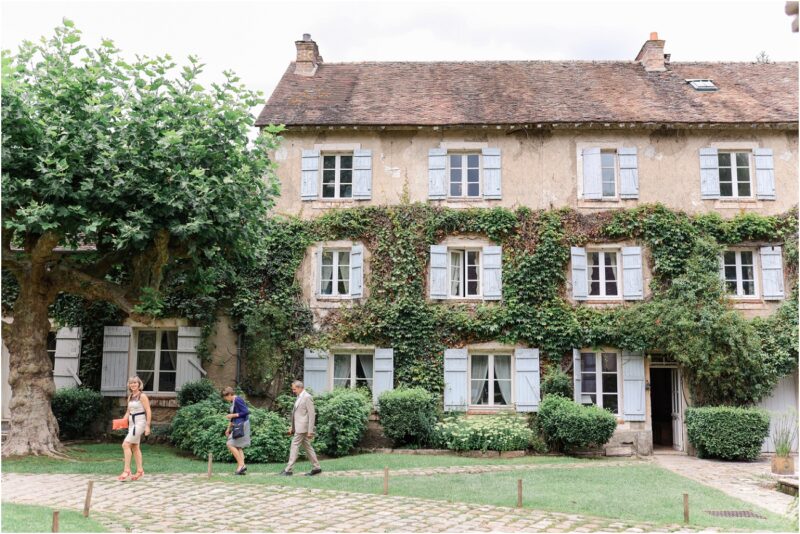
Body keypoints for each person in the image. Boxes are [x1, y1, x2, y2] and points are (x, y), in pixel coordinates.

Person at [279, 380, 322, 476]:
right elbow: (296, 414)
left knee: (294, 445)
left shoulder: (307, 397)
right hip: (298, 427)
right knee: (307, 447)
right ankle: (317, 467)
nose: (293, 391)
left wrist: (310, 431)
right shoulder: (299, 397)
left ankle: (288, 469)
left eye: (294, 389)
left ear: (299, 388)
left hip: (303, 427)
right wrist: (292, 427)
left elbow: (312, 415)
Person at [118, 376, 151, 481]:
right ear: (129, 385)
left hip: (140, 422)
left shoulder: (142, 396)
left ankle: (127, 470)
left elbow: (148, 411)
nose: (133, 385)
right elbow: (128, 412)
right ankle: (140, 471)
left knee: (125, 444)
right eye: (131, 383)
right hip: (132, 423)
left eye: (135, 383)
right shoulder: (130, 396)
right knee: (135, 447)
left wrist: (147, 426)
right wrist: (121, 423)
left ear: (139, 384)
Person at [222, 386, 250, 475]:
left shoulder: (238, 400)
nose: (225, 399)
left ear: (230, 394)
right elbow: (232, 417)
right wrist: (228, 428)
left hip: (242, 425)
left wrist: (233, 415)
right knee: (238, 446)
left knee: (230, 444)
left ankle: (241, 465)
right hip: (237, 425)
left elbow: (246, 412)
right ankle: (243, 466)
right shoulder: (233, 401)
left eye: (226, 397)